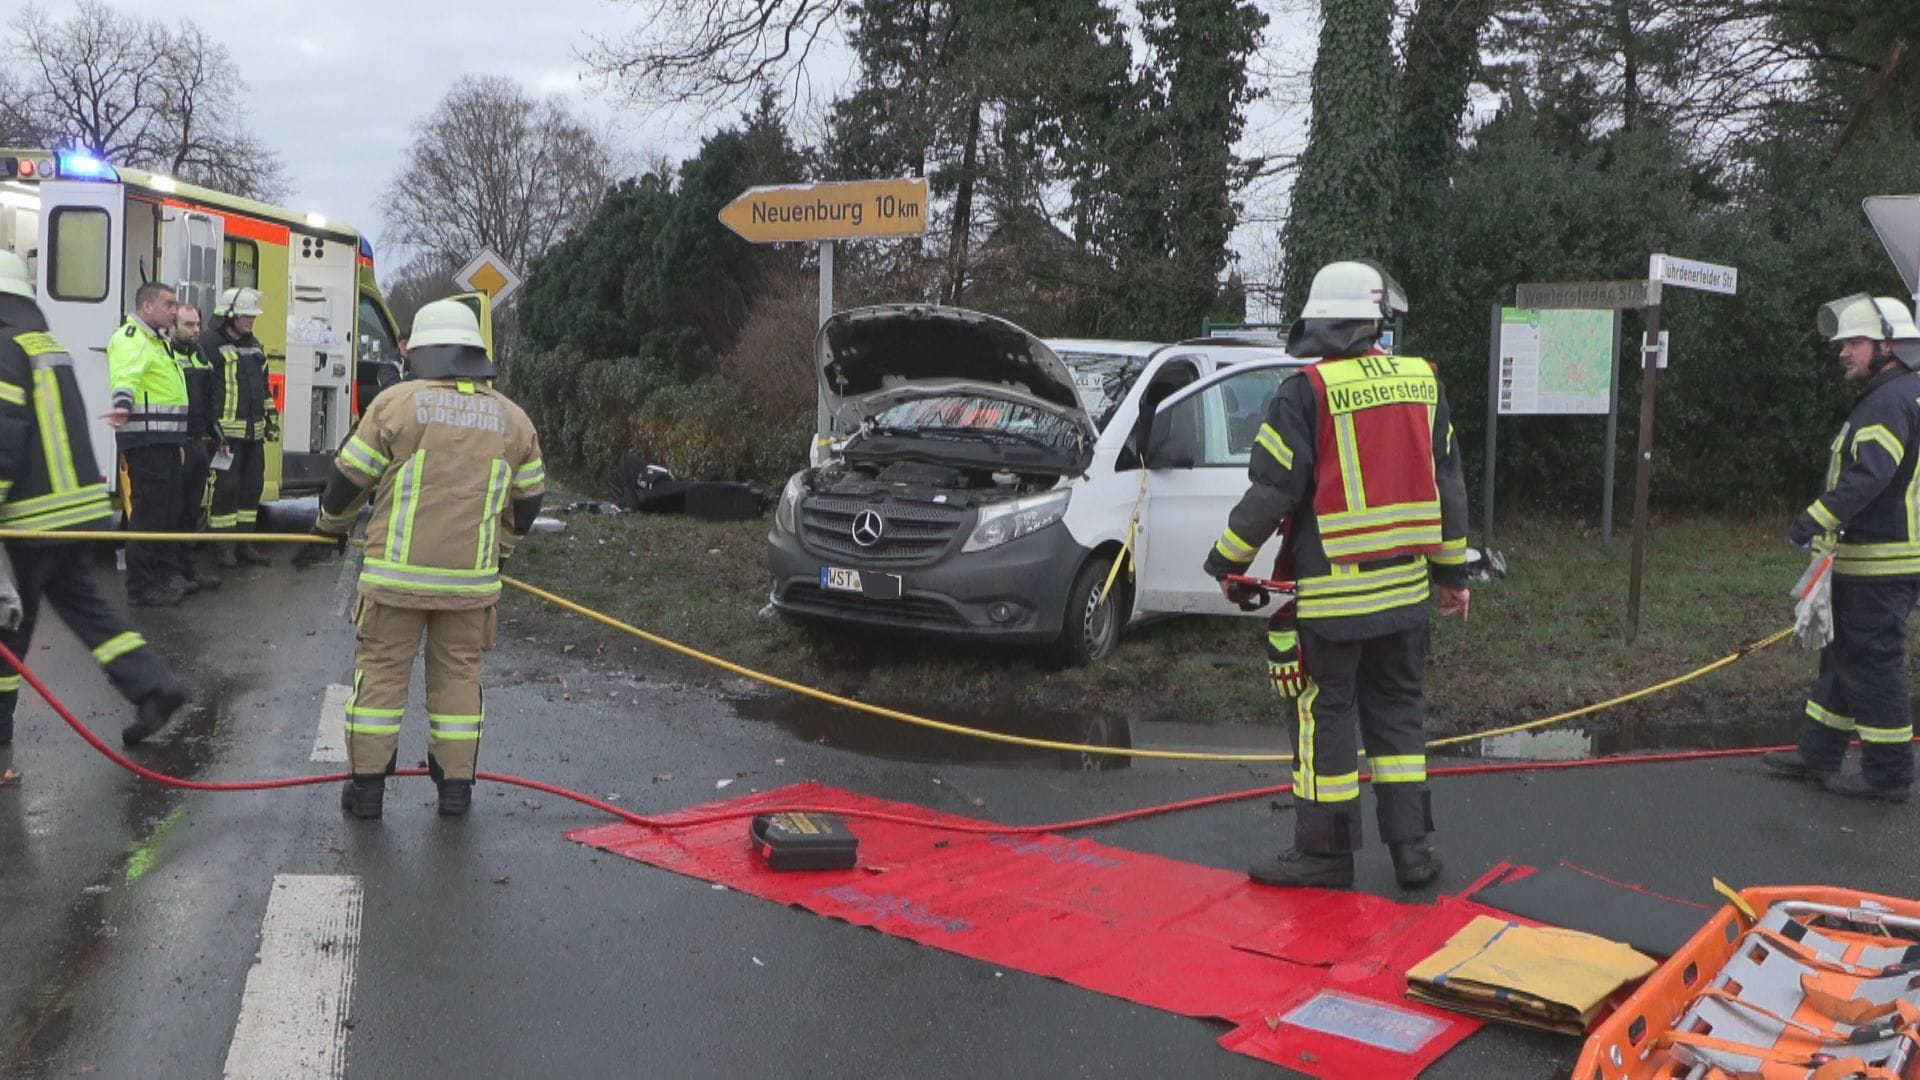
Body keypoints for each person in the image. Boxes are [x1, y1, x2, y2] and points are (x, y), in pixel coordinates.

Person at [1202, 259, 1470, 890]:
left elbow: (1274, 491)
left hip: (1334, 602)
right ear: (1374, 322)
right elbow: (1449, 484)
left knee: (1327, 718)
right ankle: (1414, 854)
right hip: (1405, 598)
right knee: (1400, 720)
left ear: (1320, 327)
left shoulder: (1306, 391)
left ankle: (1325, 854)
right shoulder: (1421, 380)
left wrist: (1228, 561)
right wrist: (1452, 574)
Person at [299, 298, 544, 820]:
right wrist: (498, 554)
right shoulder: (513, 420)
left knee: (381, 680)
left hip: (394, 584)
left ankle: (366, 790)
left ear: (422, 352)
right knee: (458, 680)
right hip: (470, 588)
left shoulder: (396, 405)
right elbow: (527, 508)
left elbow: (347, 485)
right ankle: (455, 791)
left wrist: (329, 529)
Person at [0, 252, 188, 747]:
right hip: (76, 511)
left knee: (7, 624)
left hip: (29, 518)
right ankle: (153, 686)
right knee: (89, 610)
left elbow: (3, 434)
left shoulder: (2, 346)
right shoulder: (45, 343)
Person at [1765, 294, 1920, 803]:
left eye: (1854, 342)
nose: (1843, 352)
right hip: (1874, 559)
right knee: (1842, 660)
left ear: (1889, 346)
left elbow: (1868, 477)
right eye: (1843, 343)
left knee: (1873, 663)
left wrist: (1813, 518)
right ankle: (1818, 754)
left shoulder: (1887, 401)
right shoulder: (1899, 395)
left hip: (1881, 562)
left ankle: (1889, 773)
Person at [105, 282, 192, 607]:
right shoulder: (132, 338)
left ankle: (165, 576)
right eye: (168, 304)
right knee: (149, 513)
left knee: (167, 511)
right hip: (146, 439)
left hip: (164, 439)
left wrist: (177, 440)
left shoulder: (157, 341)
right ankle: (141, 586)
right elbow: (125, 375)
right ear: (147, 307)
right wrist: (123, 403)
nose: (174, 310)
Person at [201, 287, 278, 570]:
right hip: (226, 436)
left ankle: (244, 543)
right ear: (229, 314)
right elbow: (205, 391)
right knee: (227, 489)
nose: (251, 321)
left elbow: (263, 387)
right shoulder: (209, 344)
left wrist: (270, 420)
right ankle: (223, 546)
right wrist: (212, 430)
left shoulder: (254, 345)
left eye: (252, 317)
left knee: (251, 488)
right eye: (246, 316)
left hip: (253, 433)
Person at [168, 304, 221, 594]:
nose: (196, 330)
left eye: (197, 324)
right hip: (176, 443)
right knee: (171, 512)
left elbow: (209, 399)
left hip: (198, 442)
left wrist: (216, 434)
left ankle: (187, 570)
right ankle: (170, 572)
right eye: (188, 325)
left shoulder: (200, 355)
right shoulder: (166, 354)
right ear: (172, 326)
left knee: (191, 511)